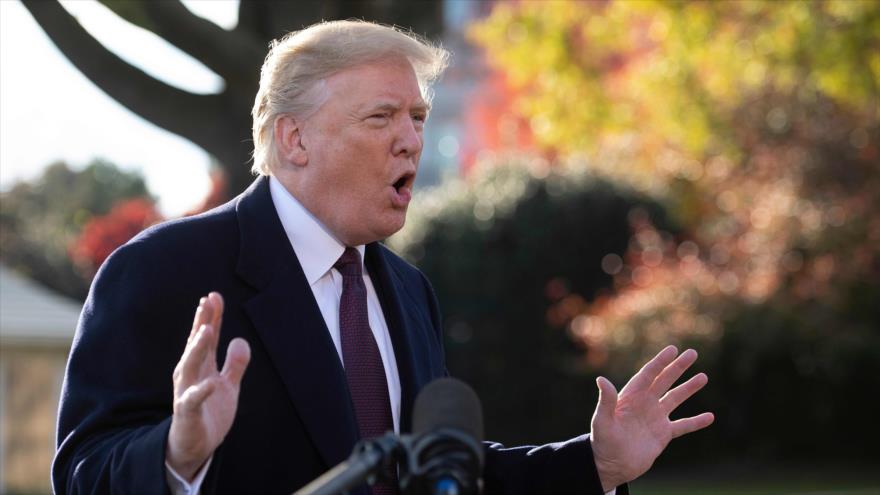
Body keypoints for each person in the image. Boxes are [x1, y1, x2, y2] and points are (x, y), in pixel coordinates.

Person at [52, 20, 713, 495]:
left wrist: (594, 462)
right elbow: (82, 470)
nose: (410, 141)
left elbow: (434, 467)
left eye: (419, 118)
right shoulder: (162, 270)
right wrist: (175, 454)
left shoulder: (405, 288)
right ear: (295, 138)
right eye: (381, 118)